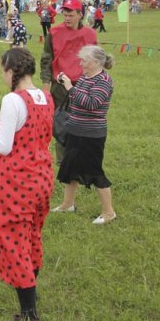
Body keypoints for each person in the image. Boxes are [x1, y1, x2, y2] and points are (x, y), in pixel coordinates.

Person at [0, 48, 53, 321]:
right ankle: (30, 298)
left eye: (3, 71)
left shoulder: (12, 100)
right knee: (32, 235)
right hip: (41, 178)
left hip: (15, 183)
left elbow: (4, 144)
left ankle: (29, 313)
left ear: (12, 71)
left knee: (14, 241)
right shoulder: (46, 97)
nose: (2, 76)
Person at [52, 45, 116, 225]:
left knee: (95, 172)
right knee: (69, 169)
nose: (80, 63)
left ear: (96, 62)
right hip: (75, 131)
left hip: (91, 135)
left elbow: (91, 103)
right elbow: (75, 99)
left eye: (84, 60)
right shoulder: (85, 78)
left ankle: (108, 212)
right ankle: (67, 205)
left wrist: (69, 87)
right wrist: (68, 85)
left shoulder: (103, 81)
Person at [40, 0, 97, 163]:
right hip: (60, 87)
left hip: (83, 85)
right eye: (65, 14)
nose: (67, 18)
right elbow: (46, 60)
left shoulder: (90, 34)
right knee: (62, 125)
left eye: (70, 15)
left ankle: (82, 158)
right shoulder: (54, 33)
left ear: (80, 15)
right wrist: (45, 88)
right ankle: (64, 163)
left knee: (83, 124)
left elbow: (95, 60)